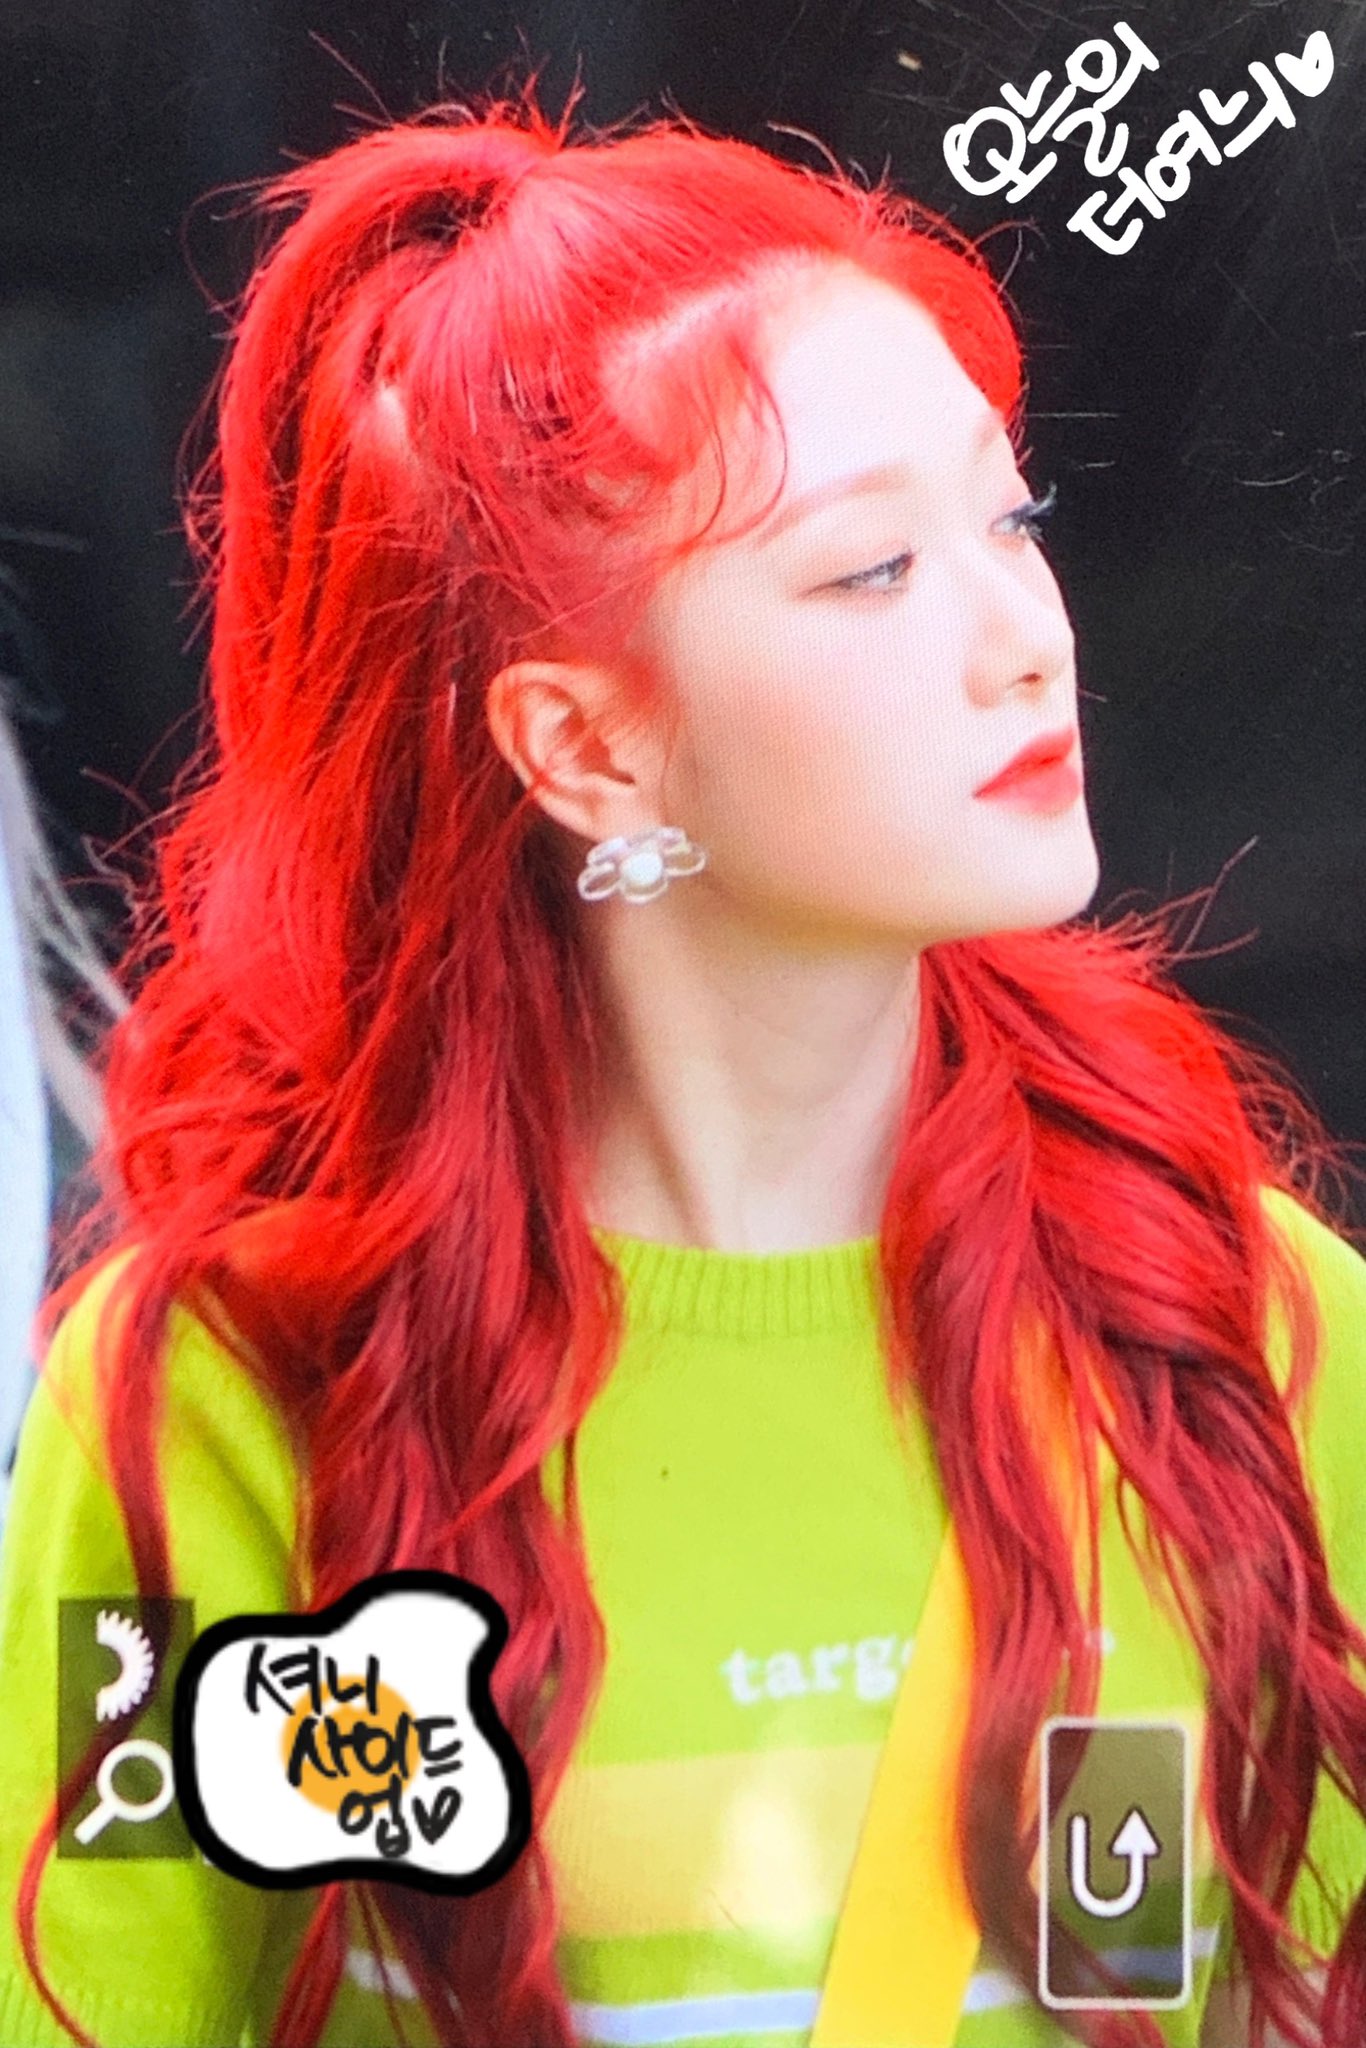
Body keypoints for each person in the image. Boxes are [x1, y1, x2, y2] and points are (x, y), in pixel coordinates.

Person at [1, 81, 1365, 2048]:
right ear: (584, 747)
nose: (1021, 637)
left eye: (1010, 516)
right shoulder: (222, 1395)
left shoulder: (1227, 1327)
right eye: (870, 569)